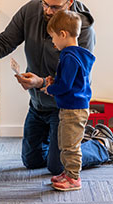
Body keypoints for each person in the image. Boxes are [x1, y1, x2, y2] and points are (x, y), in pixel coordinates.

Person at [0, 0, 113, 176]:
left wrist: (40, 82)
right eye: (45, 3)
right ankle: (67, 144)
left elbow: (76, 82)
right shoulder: (31, 11)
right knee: (32, 162)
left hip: (64, 109)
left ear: (69, 3)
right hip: (37, 105)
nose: (47, 10)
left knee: (58, 166)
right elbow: (5, 42)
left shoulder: (84, 32)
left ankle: (102, 145)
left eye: (55, 7)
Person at [41, 10, 95, 191]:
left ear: (63, 34)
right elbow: (68, 81)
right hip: (70, 107)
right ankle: (67, 172)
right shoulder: (74, 54)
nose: (53, 42)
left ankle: (73, 179)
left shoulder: (70, 56)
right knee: (65, 142)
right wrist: (54, 81)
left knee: (70, 145)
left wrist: (50, 88)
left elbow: (65, 86)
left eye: (53, 37)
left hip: (74, 109)